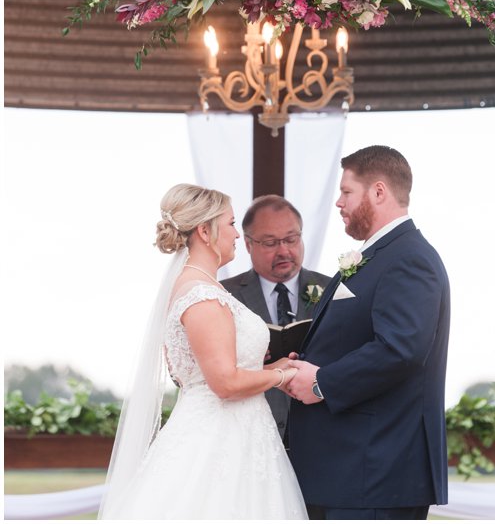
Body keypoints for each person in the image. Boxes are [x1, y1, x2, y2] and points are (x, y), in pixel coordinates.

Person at [99, 184, 306, 519]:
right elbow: (224, 383)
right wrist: (281, 375)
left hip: (239, 433)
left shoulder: (202, 287)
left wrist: (269, 369)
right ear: (205, 231)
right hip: (219, 441)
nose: (237, 235)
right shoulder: (202, 296)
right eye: (231, 224)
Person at [285, 146, 450, 520]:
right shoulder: (381, 255)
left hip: (375, 475)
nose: (338, 203)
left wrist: (321, 381)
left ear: (378, 192)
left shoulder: (409, 258)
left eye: (346, 192)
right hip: (349, 472)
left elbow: (401, 349)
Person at [221, 195, 332, 439]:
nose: (284, 250)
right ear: (248, 244)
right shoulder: (223, 295)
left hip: (322, 433)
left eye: (291, 239)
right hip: (248, 435)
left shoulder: (333, 290)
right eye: (270, 243)